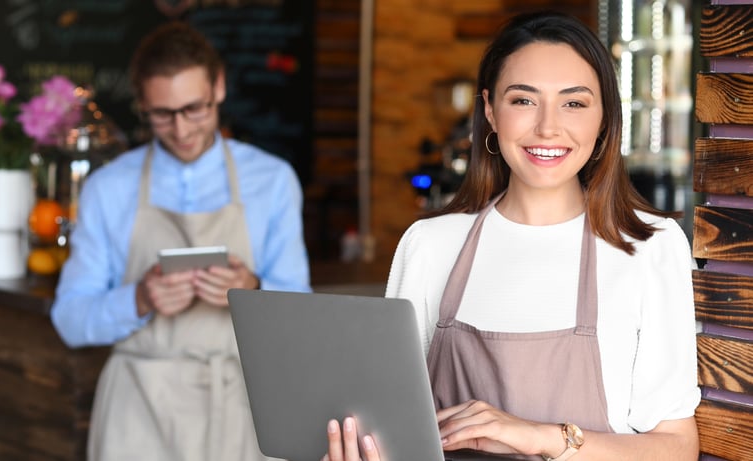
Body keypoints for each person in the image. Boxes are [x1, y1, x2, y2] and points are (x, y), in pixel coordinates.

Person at [324, 11, 699, 461]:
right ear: (489, 110)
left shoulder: (650, 247)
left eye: (574, 103)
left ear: (604, 119)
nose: (547, 127)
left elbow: (677, 448)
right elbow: (391, 429)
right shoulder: (430, 245)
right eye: (523, 100)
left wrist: (540, 437)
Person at [50, 21, 310, 461]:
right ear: (142, 106)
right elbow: (70, 320)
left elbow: (303, 320)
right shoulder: (108, 187)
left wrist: (253, 292)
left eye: (195, 109)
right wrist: (139, 298)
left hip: (242, 407)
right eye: (162, 114)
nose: (182, 128)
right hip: (137, 412)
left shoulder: (273, 180)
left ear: (219, 89)